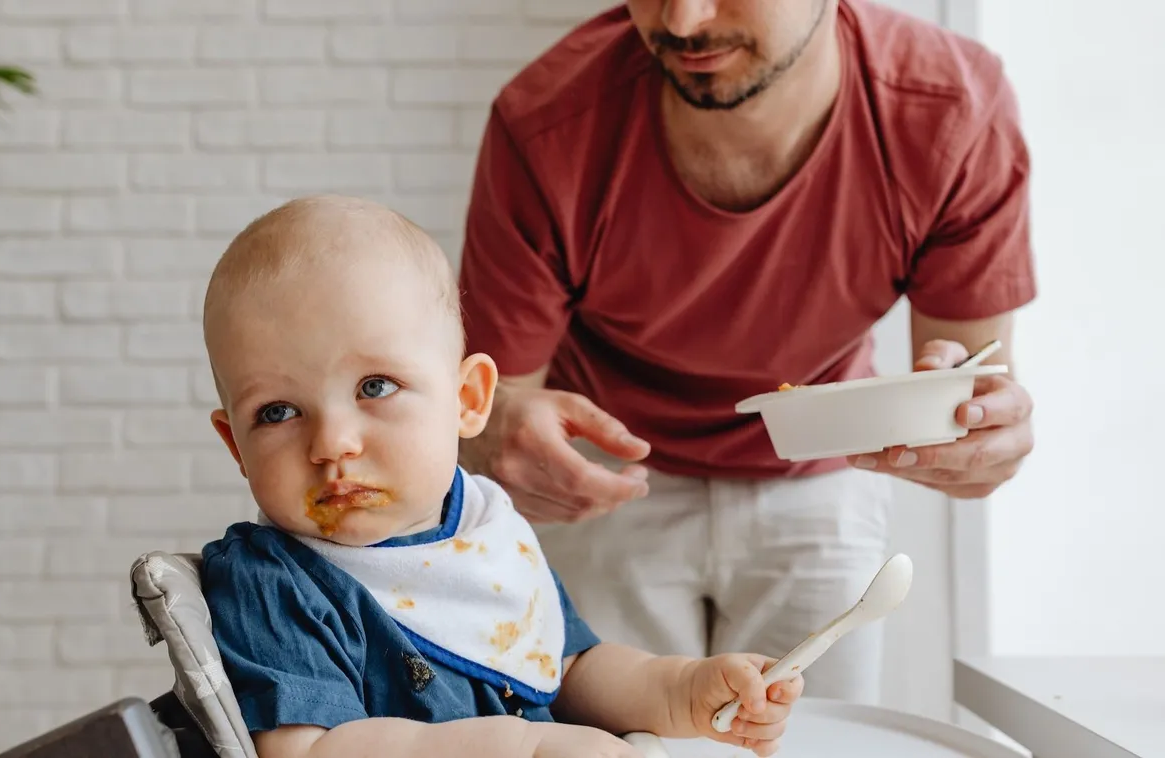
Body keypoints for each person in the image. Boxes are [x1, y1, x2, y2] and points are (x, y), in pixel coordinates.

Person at [456, 0, 1037, 705]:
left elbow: (970, 385)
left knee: (820, 738)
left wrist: (978, 440)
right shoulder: (545, 121)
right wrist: (493, 438)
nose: (682, 20)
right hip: (609, 472)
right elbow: (493, 405)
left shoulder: (950, 110)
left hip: (819, 466)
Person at [195, 195, 805, 758]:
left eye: (374, 387)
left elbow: (567, 669)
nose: (331, 444)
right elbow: (309, 752)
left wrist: (680, 690)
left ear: (467, 400)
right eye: (277, 412)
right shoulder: (273, 582)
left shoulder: (485, 531)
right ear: (237, 446)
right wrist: (523, 748)